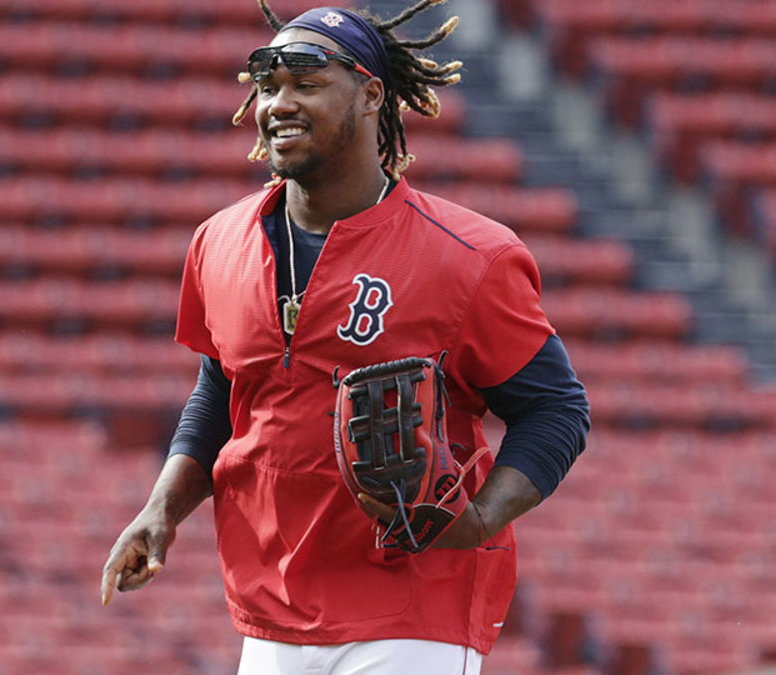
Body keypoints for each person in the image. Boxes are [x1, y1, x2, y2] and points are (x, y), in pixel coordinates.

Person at [101, 2, 590, 673]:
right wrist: (162, 509)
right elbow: (222, 388)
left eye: (306, 83)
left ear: (370, 94)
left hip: (411, 612)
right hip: (270, 607)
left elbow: (556, 407)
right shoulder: (218, 242)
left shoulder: (468, 255)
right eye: (268, 86)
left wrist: (479, 518)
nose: (279, 103)